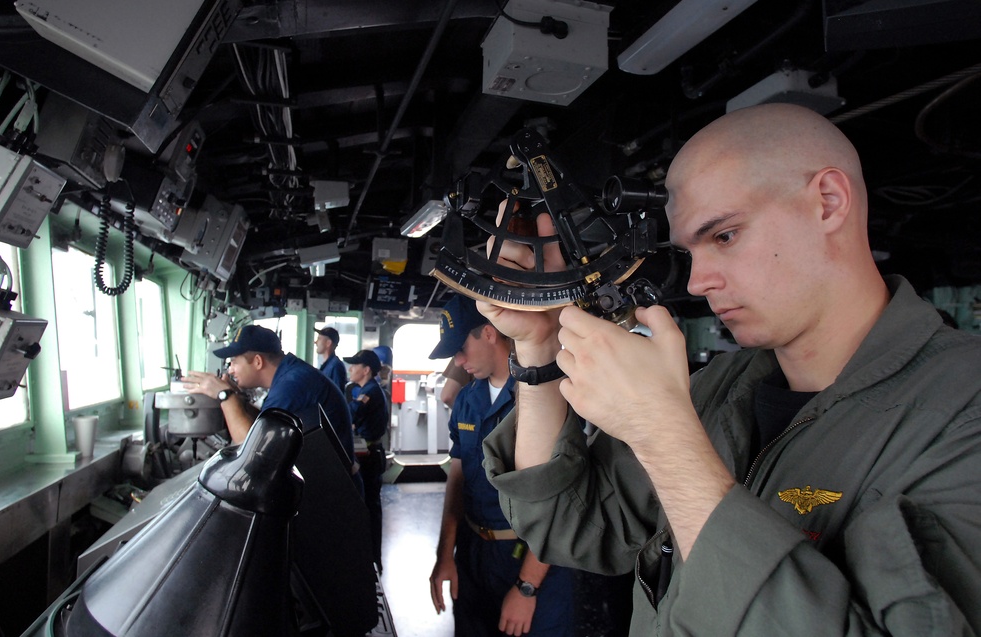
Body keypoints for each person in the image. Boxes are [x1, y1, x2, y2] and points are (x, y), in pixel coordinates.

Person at [478, 103, 981, 635]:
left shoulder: (962, 413)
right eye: (691, 251)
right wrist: (537, 344)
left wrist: (665, 437)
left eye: (724, 236)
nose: (697, 283)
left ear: (828, 202)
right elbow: (565, 522)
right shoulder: (718, 388)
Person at [428, 295, 572, 637]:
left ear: (489, 333)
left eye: (461, 348)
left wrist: (527, 587)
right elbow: (457, 480)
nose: (458, 361)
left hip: (530, 559)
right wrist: (445, 553)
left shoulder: (541, 394)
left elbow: (559, 498)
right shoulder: (467, 399)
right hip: (474, 553)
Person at [183, 325, 362, 495]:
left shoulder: (291, 386)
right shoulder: (290, 374)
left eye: (234, 362)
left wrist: (225, 396)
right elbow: (266, 423)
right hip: (331, 483)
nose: (230, 370)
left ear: (258, 361)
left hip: (336, 493)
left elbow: (250, 451)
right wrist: (237, 398)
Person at [345, 348, 390, 572]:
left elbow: (349, 415)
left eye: (354, 365)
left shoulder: (370, 391)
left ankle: (373, 561)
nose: (350, 369)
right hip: (367, 454)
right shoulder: (364, 389)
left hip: (370, 457)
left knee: (370, 509)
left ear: (366, 370)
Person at [316, 326, 348, 393]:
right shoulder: (328, 365)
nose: (316, 342)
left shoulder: (335, 366)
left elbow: (337, 395)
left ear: (328, 343)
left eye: (319, 339)